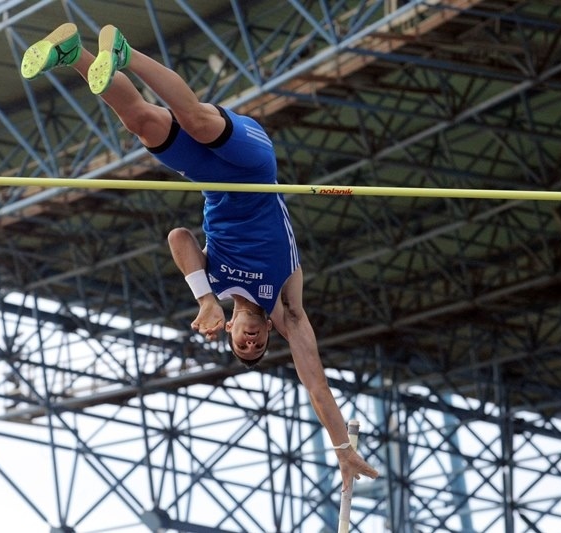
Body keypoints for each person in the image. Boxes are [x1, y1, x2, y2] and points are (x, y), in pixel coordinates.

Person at [21, 22, 379, 491]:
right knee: (197, 121)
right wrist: (342, 448)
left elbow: (178, 237)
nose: (250, 342)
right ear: (268, 333)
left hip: (210, 176)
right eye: (258, 346)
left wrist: (205, 299)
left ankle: (73, 53)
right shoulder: (287, 309)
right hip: (254, 168)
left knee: (141, 121)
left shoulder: (215, 284)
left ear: (229, 330)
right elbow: (316, 386)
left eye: (241, 346)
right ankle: (126, 51)